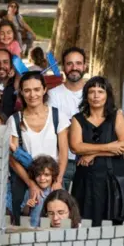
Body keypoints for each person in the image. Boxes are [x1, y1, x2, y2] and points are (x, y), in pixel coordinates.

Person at [69, 76, 124, 226]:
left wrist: (93, 153)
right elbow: (76, 147)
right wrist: (109, 147)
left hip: (113, 179)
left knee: (112, 224)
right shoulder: (78, 119)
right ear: (86, 95)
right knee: (85, 222)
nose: (96, 96)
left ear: (107, 95)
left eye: (100, 92)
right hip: (86, 180)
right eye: (91, 92)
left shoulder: (117, 116)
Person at [44, 47, 88, 189]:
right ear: (63, 67)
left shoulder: (94, 92)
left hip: (90, 160)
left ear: (85, 66)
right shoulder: (53, 95)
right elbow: (55, 128)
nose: (74, 68)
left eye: (78, 63)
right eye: (69, 64)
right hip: (62, 161)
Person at [24, 156, 59, 228]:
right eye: (38, 175)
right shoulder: (30, 192)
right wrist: (28, 206)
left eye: (46, 175)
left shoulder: (56, 192)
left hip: (51, 231)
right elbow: (24, 213)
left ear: (53, 175)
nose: (42, 178)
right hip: (32, 229)